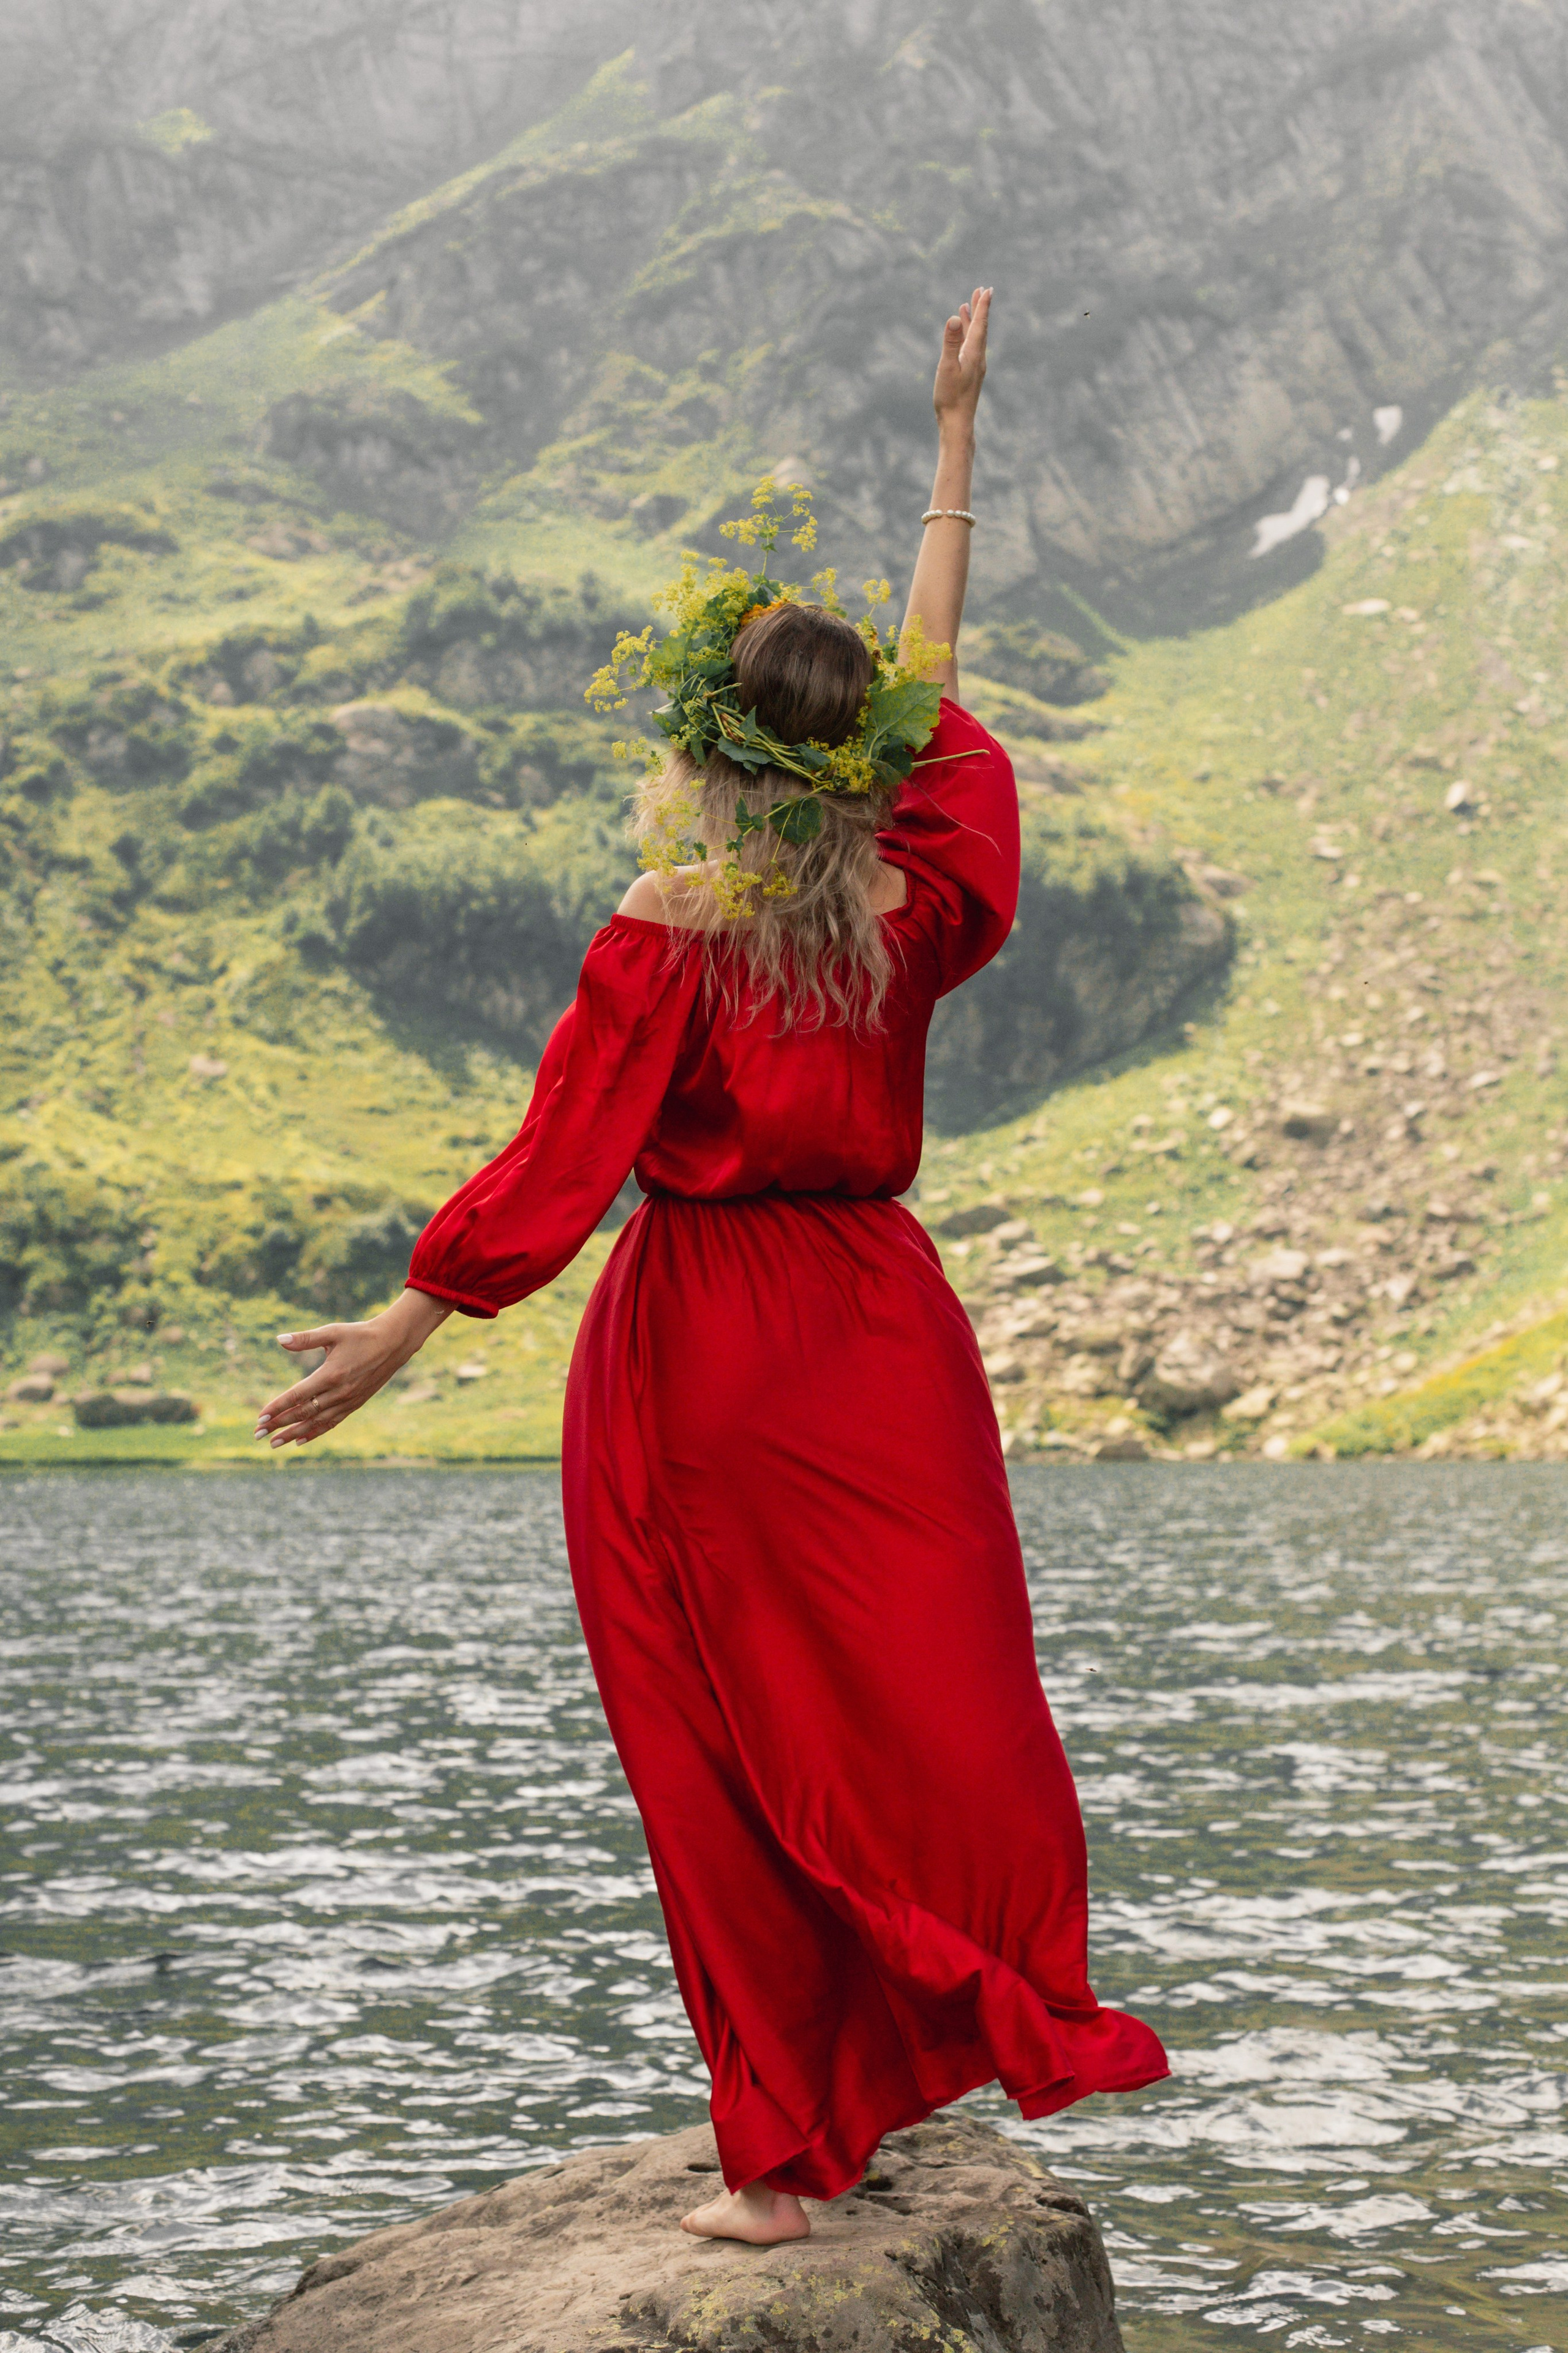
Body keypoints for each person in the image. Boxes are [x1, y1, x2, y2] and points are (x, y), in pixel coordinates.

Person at [255, 289, 1169, 2245]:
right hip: (881, 1337)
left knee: (717, 1739)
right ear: (864, 769)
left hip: (703, 1352)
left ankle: (781, 2151)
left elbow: (560, 1162)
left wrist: (402, 1335)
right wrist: (955, 447)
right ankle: (928, 2032)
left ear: (707, 743)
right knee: (922, 1703)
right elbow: (935, 677)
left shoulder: (678, 919)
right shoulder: (910, 905)